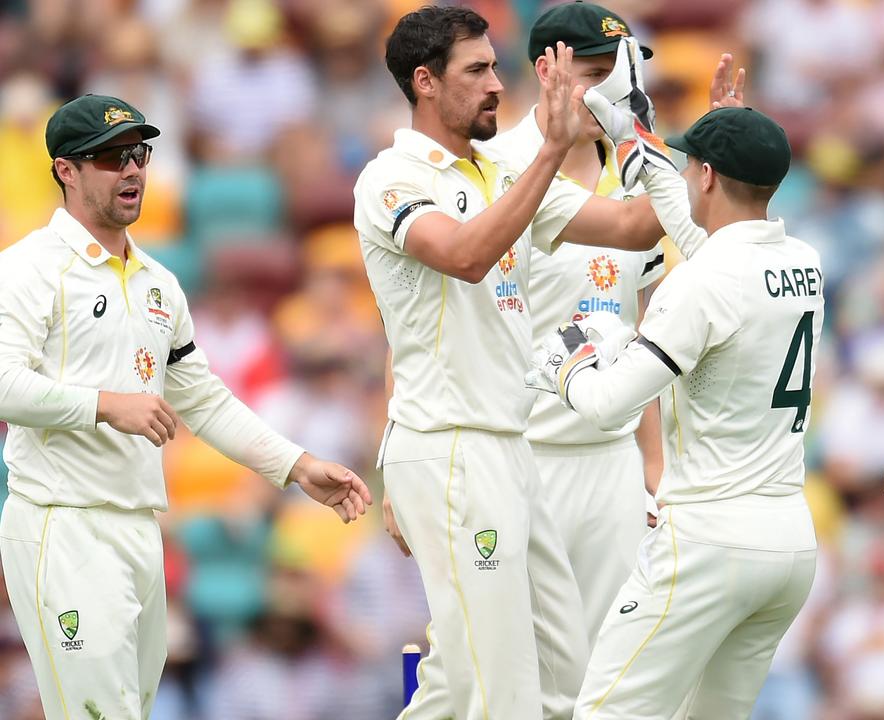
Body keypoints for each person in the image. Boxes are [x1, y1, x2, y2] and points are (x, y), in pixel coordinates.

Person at [0, 93, 372, 720]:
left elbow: (203, 400)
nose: (132, 170)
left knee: (129, 711)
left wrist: (297, 465)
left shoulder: (157, 283)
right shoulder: (28, 270)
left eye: (139, 154)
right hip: (62, 526)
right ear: (66, 169)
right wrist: (105, 406)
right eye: (111, 157)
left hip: (141, 529)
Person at [356, 7, 679, 719]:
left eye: (495, 67)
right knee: (499, 689)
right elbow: (466, 256)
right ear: (425, 83)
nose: (496, 85)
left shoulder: (499, 169)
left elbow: (632, 226)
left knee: (558, 683)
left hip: (513, 451)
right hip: (450, 451)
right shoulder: (392, 176)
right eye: (477, 71)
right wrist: (544, 156)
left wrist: (663, 138)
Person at [530, 98, 824, 717]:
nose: (686, 174)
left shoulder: (702, 281)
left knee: (603, 712)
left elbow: (609, 406)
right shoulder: (804, 262)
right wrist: (631, 135)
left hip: (710, 541)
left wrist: (567, 366)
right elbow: (705, 241)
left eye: (692, 166)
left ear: (710, 176)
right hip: (789, 544)